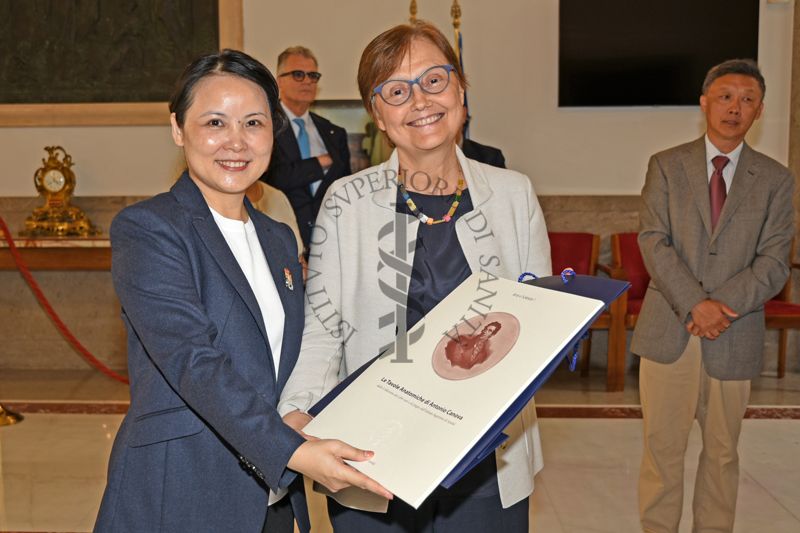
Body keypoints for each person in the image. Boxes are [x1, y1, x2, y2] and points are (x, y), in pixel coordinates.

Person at [94, 49, 390, 533]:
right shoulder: (150, 229)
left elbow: (296, 358)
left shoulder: (278, 238)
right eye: (215, 122)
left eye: (253, 123)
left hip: (269, 495)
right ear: (178, 129)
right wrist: (293, 450)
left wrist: (303, 416)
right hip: (183, 486)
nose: (236, 142)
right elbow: (194, 361)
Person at [278, 21, 551, 532]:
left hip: (489, 460)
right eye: (397, 91)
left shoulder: (513, 194)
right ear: (378, 114)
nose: (421, 100)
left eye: (434, 79)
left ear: (461, 88)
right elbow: (324, 329)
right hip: (375, 451)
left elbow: (537, 326)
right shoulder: (345, 203)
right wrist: (294, 413)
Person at [631, 59, 795, 533]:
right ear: (704, 103)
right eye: (725, 96)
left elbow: (774, 260)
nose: (734, 107)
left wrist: (719, 308)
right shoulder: (666, 165)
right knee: (662, 452)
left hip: (735, 332)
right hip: (670, 331)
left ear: (760, 110)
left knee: (722, 454)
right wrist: (694, 304)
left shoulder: (776, 179)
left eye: (747, 99)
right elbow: (653, 241)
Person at [260, 46, 351, 252]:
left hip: (331, 240)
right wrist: (320, 163)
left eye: (313, 75)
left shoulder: (334, 133)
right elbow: (274, 179)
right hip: (280, 235)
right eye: (298, 74)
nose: (307, 81)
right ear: (279, 81)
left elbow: (346, 189)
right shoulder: (264, 127)